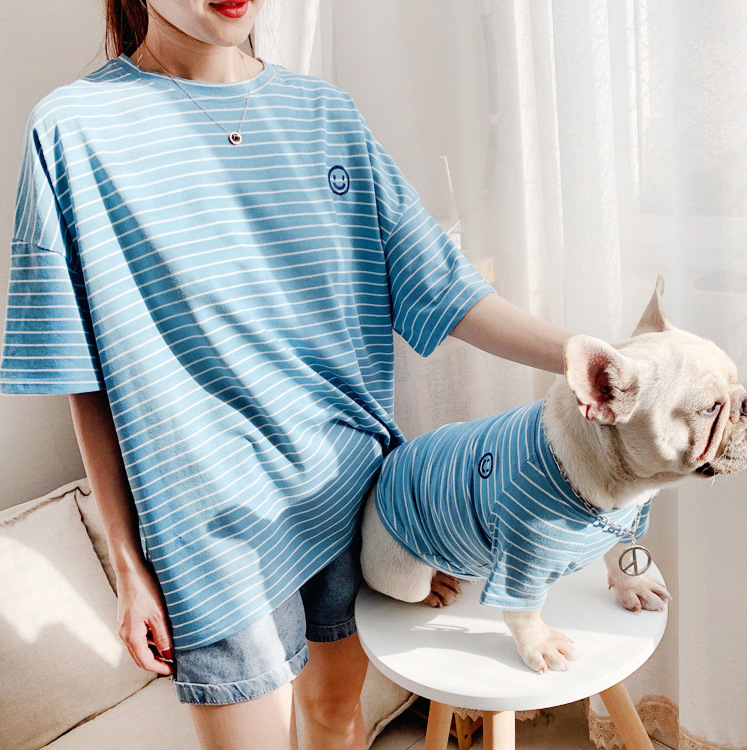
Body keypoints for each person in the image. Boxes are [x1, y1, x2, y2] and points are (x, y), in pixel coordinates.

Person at [0, 1, 574, 748]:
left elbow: (444, 287)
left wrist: (585, 354)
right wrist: (127, 562)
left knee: (336, 719)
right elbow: (86, 370)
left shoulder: (326, 113)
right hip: (209, 531)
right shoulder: (73, 129)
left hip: (351, 492)